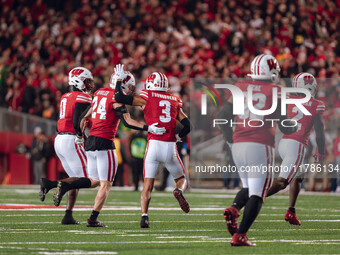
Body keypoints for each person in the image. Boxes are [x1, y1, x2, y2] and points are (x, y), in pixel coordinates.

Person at [53, 69, 165, 227]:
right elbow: (128, 121)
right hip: (105, 142)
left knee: (94, 181)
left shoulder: (99, 93)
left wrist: (80, 135)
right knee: (106, 184)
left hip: (91, 141)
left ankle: (66, 184)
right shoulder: (115, 98)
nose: (131, 90)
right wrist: (149, 128)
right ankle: (92, 219)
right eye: (130, 86)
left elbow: (84, 117)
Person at [217, 54, 297, 246]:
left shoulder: (240, 86)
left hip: (238, 145)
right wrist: (294, 127)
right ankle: (241, 235)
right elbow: (284, 124)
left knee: (249, 188)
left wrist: (231, 139)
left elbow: (222, 116)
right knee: (258, 194)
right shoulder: (276, 90)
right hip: (260, 144)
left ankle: (235, 208)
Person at [114, 64, 193, 228]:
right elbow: (188, 125)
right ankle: (178, 191)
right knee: (181, 179)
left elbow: (119, 97)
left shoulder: (147, 96)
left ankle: (144, 216)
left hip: (154, 144)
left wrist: (119, 80)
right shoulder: (175, 100)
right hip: (170, 146)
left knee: (147, 185)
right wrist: (179, 136)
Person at [266, 73, 325, 225]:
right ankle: (253, 198)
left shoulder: (288, 98)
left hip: (284, 142)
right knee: (282, 182)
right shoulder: (315, 104)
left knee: (298, 176)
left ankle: (291, 211)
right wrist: (321, 150)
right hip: (297, 144)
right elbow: (319, 131)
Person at [39, 67, 95, 225]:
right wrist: (80, 136)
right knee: (89, 178)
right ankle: (50, 184)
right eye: (87, 81)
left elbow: (60, 119)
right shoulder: (83, 96)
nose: (89, 84)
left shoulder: (65, 96)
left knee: (74, 179)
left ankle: (68, 215)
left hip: (60, 138)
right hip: (71, 139)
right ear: (80, 81)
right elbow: (78, 118)